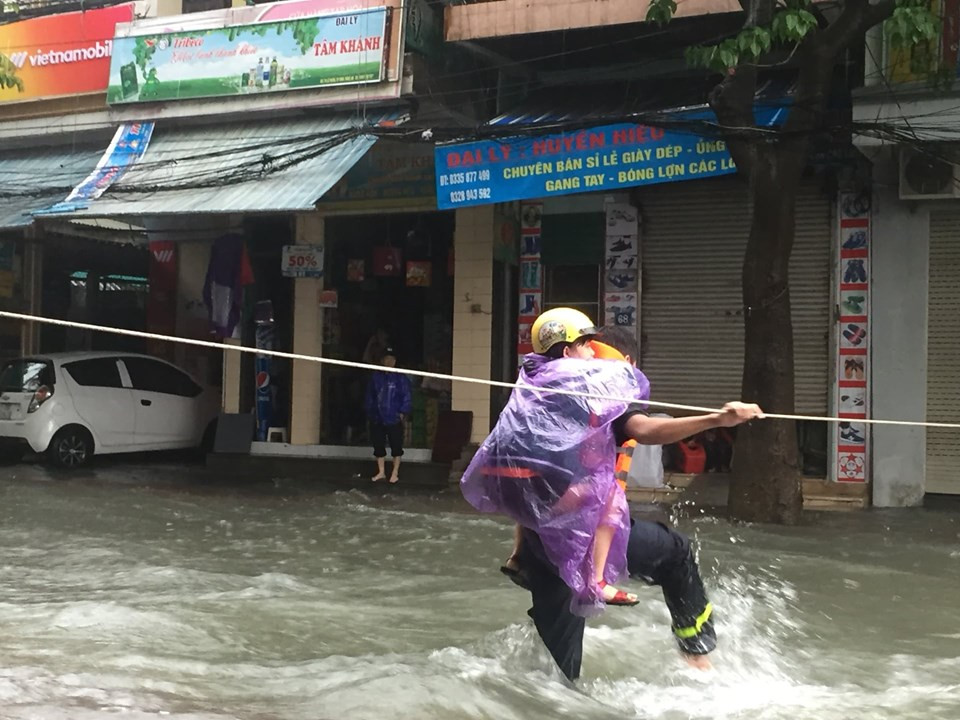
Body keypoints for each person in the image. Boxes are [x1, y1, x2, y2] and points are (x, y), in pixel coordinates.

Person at [506, 323, 763, 680]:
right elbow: (646, 430)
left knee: (559, 675)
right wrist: (717, 418)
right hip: (583, 538)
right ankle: (698, 657)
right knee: (676, 552)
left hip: (540, 542)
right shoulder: (608, 393)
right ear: (625, 361)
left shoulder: (540, 394)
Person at [462, 308, 645, 616]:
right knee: (609, 495)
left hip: (500, 476)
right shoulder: (574, 378)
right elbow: (624, 386)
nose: (592, 352)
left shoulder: (532, 372)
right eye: (586, 345)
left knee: (536, 489)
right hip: (535, 479)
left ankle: (518, 555)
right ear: (566, 351)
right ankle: (596, 583)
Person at [365, 347, 411, 484]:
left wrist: (402, 412)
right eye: (387, 359)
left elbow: (406, 396)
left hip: (394, 417)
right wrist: (370, 412)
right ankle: (381, 472)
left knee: (396, 445)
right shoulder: (375, 377)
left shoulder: (400, 378)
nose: (389, 361)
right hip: (377, 417)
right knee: (378, 445)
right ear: (382, 360)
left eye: (392, 359)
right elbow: (369, 397)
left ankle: (395, 472)